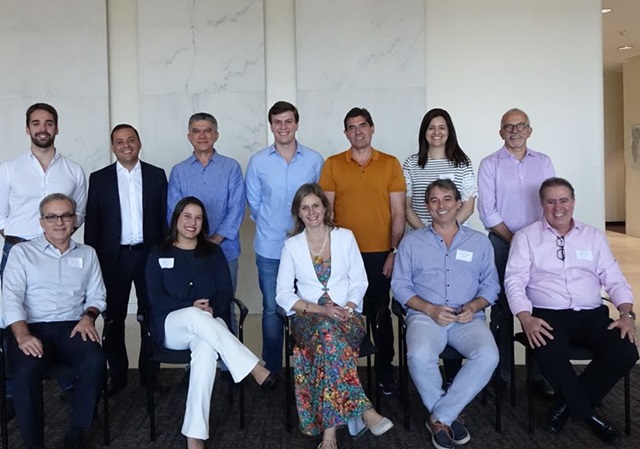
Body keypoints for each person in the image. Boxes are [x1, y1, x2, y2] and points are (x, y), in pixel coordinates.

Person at [505, 177, 638, 446]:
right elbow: (514, 280)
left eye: (564, 200)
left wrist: (627, 314)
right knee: (547, 349)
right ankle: (590, 416)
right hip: (547, 314)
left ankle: (566, 406)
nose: (558, 207)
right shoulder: (526, 237)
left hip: (591, 314)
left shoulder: (593, 236)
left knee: (625, 350)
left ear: (573, 202)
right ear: (542, 203)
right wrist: (525, 317)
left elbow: (614, 278)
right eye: (551, 201)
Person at [145, 196, 278, 449]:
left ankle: (194, 436)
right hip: (171, 326)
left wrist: (210, 308)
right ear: (176, 218)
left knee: (205, 349)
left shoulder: (213, 252)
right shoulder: (158, 252)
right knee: (195, 315)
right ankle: (254, 367)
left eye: (198, 218)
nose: (192, 222)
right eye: (187, 216)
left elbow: (225, 292)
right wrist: (191, 306)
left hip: (208, 323)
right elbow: (155, 298)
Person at [276, 183, 393, 449]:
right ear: (298, 213)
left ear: (325, 207)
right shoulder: (291, 246)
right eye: (305, 208)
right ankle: (364, 411)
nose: (311, 212)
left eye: (315, 205)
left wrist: (349, 307)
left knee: (328, 343)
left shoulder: (345, 237)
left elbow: (359, 281)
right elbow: (282, 295)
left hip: (347, 316)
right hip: (307, 319)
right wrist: (321, 310)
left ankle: (329, 436)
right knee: (326, 332)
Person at [392, 179, 499, 449]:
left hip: (467, 318)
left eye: (447, 199)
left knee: (488, 355)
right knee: (419, 354)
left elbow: (491, 286)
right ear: (427, 206)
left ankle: (441, 416)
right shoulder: (411, 242)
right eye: (434, 200)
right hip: (425, 316)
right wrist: (429, 308)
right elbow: (400, 286)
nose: (441, 205)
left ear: (458, 203)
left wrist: (474, 306)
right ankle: (447, 417)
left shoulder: (479, 242)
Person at [1, 193, 106, 449]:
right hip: (32, 328)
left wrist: (89, 316)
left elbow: (97, 294)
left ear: (74, 220)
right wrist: (22, 335)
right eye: (52, 217)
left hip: (73, 327)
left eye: (66, 216)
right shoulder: (22, 253)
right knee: (25, 372)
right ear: (42, 222)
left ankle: (77, 431)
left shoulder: (88, 254)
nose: (59, 222)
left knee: (96, 361)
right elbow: (11, 297)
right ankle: (34, 443)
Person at [319, 107, 405, 395]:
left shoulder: (390, 164)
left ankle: (385, 370)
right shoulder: (333, 164)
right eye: (352, 127)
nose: (358, 131)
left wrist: (394, 251)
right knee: (345, 313)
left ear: (372, 128)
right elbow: (327, 213)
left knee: (380, 314)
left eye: (363, 125)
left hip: (381, 254)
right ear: (345, 133)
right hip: (343, 256)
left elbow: (398, 212)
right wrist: (329, 254)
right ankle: (346, 372)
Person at [84, 124, 168, 395]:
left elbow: (165, 220)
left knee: (151, 315)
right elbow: (93, 225)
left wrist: (166, 256)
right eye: (119, 141)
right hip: (113, 258)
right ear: (113, 147)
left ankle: (149, 375)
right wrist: (93, 262)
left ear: (139, 143)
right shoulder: (99, 179)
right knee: (114, 317)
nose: (126, 145)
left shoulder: (157, 175)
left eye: (131, 139)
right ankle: (117, 375)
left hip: (149, 255)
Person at [477, 108, 555, 393]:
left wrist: (531, 241)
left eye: (520, 126)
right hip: (501, 243)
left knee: (540, 305)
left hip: (538, 245)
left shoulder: (543, 162)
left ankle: (540, 376)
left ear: (529, 131)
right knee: (501, 309)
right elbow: (488, 210)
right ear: (501, 132)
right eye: (509, 127)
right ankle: (502, 374)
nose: (515, 131)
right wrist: (515, 239)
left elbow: (551, 202)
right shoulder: (489, 164)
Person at [245, 101, 324, 372]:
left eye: (288, 121)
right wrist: (272, 225)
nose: (283, 127)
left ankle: (307, 367)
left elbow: (320, 203)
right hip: (270, 248)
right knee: (272, 308)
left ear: (297, 124)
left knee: (308, 306)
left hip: (307, 248)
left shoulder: (315, 160)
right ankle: (272, 369)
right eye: (277, 122)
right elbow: (254, 204)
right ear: (271, 126)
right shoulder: (258, 162)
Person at [167, 112, 245, 330]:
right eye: (196, 131)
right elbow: (174, 212)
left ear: (216, 135)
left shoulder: (231, 167)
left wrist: (215, 240)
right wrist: (195, 242)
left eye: (207, 130)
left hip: (225, 251)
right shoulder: (179, 171)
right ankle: (195, 352)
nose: (202, 136)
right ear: (189, 137)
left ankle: (228, 353)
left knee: (225, 307)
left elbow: (237, 207)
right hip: (188, 253)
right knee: (192, 307)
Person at [0, 103, 87, 276]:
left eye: (49, 123)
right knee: (14, 295)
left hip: (59, 251)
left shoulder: (74, 170)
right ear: (27, 129)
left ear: (57, 128)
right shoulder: (7, 169)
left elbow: (79, 213)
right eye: (36, 123)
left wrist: (58, 236)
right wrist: (21, 243)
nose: (43, 129)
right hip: (17, 249)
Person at [403, 108, 476, 230]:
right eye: (431, 128)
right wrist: (426, 234)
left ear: (449, 131)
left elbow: (468, 207)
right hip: (420, 235)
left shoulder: (462, 163)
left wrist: (446, 231)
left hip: (456, 235)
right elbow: (406, 206)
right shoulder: (411, 163)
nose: (436, 132)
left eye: (442, 127)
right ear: (424, 132)